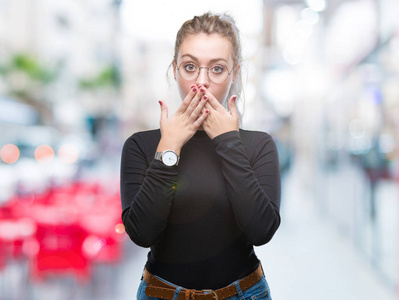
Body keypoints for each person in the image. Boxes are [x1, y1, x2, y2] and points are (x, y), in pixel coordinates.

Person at [120, 12, 281, 300]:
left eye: (217, 69)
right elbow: (142, 234)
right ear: (174, 69)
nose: (201, 82)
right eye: (190, 66)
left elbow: (261, 231)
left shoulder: (258, 145)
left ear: (234, 74)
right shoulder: (142, 146)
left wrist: (228, 143)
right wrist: (168, 148)